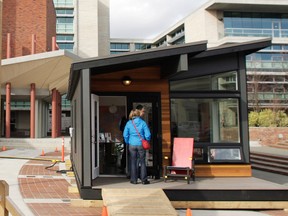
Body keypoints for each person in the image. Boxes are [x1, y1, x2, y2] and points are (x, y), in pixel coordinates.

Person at [123, 109, 151, 185]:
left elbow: (125, 135)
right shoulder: (143, 123)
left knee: (133, 162)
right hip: (141, 144)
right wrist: (146, 141)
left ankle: (134, 180)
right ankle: (144, 180)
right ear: (138, 114)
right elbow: (148, 134)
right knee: (142, 161)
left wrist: (127, 141)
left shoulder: (129, 123)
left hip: (132, 144)